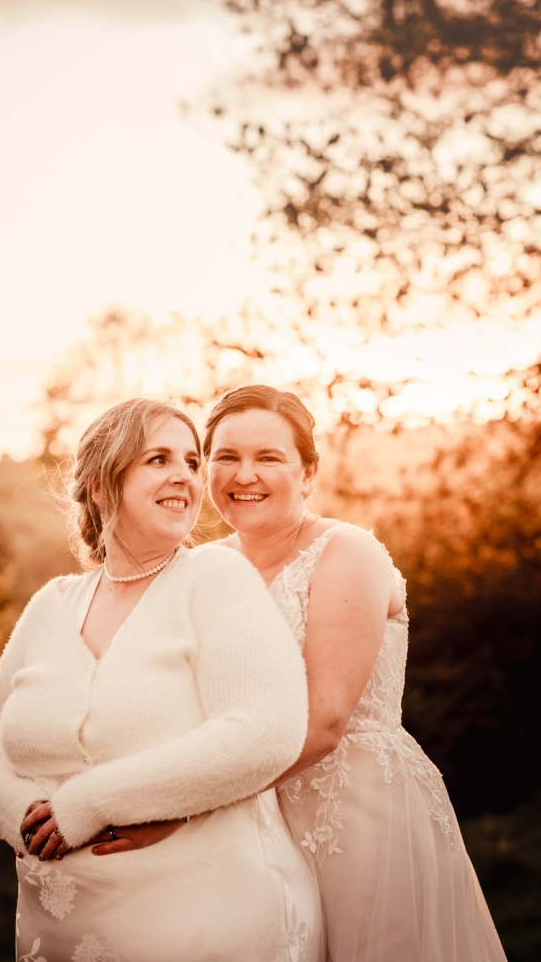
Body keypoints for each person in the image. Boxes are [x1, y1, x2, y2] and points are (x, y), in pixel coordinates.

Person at [0, 397, 323, 962]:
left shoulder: (216, 577)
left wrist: (90, 804)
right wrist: (27, 820)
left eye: (190, 461)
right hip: (53, 929)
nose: (184, 473)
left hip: (203, 922)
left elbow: (265, 730)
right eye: (157, 459)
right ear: (102, 485)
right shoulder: (50, 605)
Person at [202, 384, 507, 962]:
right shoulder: (202, 569)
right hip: (247, 822)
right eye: (226, 456)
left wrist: (185, 801)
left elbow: (326, 721)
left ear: (309, 472)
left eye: (268, 457)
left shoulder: (348, 552)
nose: (246, 475)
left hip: (356, 809)